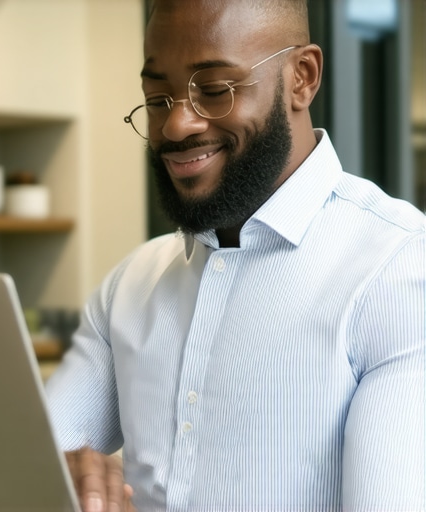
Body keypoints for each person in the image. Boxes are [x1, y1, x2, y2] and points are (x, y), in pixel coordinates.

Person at [46, 0, 426, 510]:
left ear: (302, 77)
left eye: (216, 91)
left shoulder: (399, 270)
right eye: (157, 98)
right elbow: (30, 460)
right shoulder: (131, 286)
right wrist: (63, 471)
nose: (177, 125)